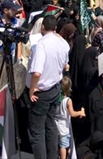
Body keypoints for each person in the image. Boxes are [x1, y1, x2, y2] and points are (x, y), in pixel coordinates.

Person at [28, 16, 72, 159]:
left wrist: (32, 89)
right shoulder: (63, 44)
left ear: (42, 27)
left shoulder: (41, 44)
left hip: (42, 91)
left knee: (38, 131)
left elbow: (37, 72)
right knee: (51, 124)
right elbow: (66, 65)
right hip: (55, 89)